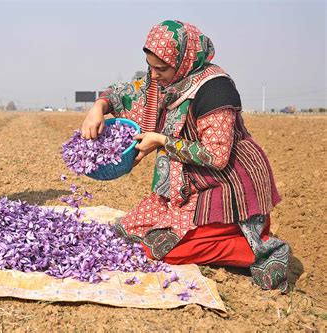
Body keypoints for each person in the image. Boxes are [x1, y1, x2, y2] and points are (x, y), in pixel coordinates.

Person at [81, 20, 289, 292]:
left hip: (225, 184)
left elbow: (216, 156)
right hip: (188, 183)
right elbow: (127, 92)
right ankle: (222, 234)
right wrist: (99, 106)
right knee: (128, 230)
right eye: (151, 66)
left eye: (161, 68)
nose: (154, 76)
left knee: (164, 249)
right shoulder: (166, 80)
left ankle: (257, 245)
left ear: (184, 59)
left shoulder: (215, 90)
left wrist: (163, 141)